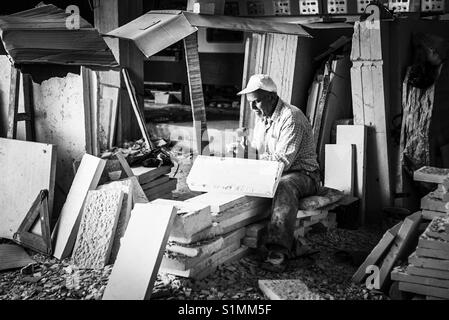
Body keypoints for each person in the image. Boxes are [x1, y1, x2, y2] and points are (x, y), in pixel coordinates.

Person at [234, 74, 321, 271]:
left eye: (256, 101)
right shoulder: (263, 116)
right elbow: (259, 150)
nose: (252, 108)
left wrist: (252, 163)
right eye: (250, 103)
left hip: (304, 175)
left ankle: (278, 253)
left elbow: (283, 162)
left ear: (272, 97)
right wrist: (244, 149)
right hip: (275, 171)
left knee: (284, 184)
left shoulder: (291, 118)